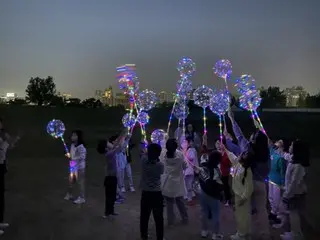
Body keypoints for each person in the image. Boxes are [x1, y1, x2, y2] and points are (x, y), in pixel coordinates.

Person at [227, 109, 270, 239]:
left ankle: (243, 234)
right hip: (261, 184)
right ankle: (265, 234)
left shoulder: (247, 148)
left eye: (252, 136)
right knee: (262, 210)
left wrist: (232, 119)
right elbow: (268, 170)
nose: (250, 136)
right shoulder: (266, 154)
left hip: (247, 184)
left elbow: (239, 135)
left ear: (254, 140)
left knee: (244, 210)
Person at [277, 140, 309, 240]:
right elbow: (283, 154)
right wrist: (276, 147)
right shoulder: (293, 159)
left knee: (294, 214)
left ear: (296, 149)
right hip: (294, 193)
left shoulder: (298, 166)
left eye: (291, 145)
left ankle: (297, 235)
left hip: (295, 194)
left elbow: (294, 183)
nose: (289, 146)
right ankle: (295, 233)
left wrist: (287, 194)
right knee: (293, 214)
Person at [223, 144, 254, 240]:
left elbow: (250, 188)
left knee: (241, 216)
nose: (240, 154)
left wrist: (243, 198)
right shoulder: (238, 163)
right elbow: (231, 156)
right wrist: (224, 148)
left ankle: (241, 235)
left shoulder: (247, 171)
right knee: (242, 215)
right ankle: (246, 233)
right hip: (238, 195)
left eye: (243, 154)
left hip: (242, 197)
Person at [101, 131, 130, 219]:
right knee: (109, 196)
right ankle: (107, 212)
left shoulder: (111, 152)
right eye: (108, 143)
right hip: (109, 178)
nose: (110, 144)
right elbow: (118, 147)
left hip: (113, 177)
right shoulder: (109, 154)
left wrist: (124, 136)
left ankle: (111, 211)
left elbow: (118, 146)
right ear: (106, 148)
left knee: (112, 196)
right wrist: (124, 135)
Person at [196, 151, 224, 239]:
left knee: (204, 212)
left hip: (203, 193)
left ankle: (204, 231)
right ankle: (215, 234)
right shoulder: (216, 170)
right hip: (213, 195)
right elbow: (218, 181)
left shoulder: (203, 168)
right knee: (215, 213)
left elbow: (200, 177)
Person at [140, 143, 165, 240]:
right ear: (158, 155)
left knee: (144, 216)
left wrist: (146, 148)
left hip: (146, 192)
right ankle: (160, 237)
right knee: (159, 217)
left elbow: (143, 152)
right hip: (156, 194)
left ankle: (144, 236)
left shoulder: (143, 160)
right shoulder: (160, 165)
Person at [161, 138, 188, 226]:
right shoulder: (180, 154)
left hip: (168, 182)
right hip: (178, 181)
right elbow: (184, 166)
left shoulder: (163, 154)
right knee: (180, 201)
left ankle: (170, 222)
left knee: (169, 204)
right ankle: (185, 218)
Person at [0, 118, 19, 235]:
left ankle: (0, 221)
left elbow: (8, 147)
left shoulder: (3, 135)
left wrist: (14, 140)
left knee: (1, 195)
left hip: (1, 167)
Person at [64, 130, 87, 204]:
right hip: (73, 165)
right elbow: (72, 155)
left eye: (75, 135)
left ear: (78, 137)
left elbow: (83, 157)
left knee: (80, 182)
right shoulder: (72, 145)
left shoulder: (81, 147)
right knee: (71, 180)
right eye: (72, 135)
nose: (72, 137)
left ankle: (82, 198)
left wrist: (73, 158)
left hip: (80, 167)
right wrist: (69, 156)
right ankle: (69, 194)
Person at [267, 139, 286, 223]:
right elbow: (269, 143)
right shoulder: (272, 153)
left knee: (276, 198)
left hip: (277, 181)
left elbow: (283, 171)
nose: (276, 143)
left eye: (278, 143)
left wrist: (283, 182)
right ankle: (273, 211)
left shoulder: (280, 158)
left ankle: (277, 214)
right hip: (270, 178)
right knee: (270, 196)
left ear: (281, 147)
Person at [181, 136, 198, 205]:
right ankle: (186, 197)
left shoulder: (191, 150)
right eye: (183, 142)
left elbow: (192, 158)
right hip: (183, 171)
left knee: (189, 185)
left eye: (185, 142)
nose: (184, 143)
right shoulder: (180, 151)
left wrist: (186, 153)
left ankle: (190, 198)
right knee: (184, 185)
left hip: (190, 171)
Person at [216, 139, 232, 206]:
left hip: (225, 172)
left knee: (226, 186)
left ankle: (228, 199)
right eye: (217, 143)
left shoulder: (227, 153)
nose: (219, 145)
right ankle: (220, 197)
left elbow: (228, 163)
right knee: (219, 185)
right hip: (219, 172)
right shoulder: (217, 153)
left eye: (220, 143)